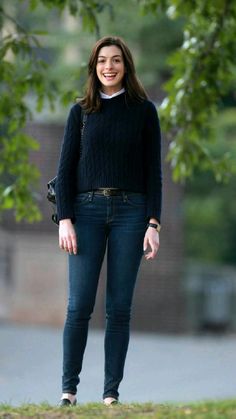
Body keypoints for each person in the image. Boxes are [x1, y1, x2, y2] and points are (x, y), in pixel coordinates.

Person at [56, 35, 162, 407]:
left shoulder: (144, 111)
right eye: (102, 60)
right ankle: (68, 390)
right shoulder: (80, 112)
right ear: (94, 66)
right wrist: (64, 219)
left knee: (119, 308)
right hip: (84, 213)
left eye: (116, 60)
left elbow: (154, 172)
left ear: (126, 66)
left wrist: (154, 223)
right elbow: (65, 170)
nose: (109, 67)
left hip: (132, 214)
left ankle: (110, 394)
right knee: (78, 305)